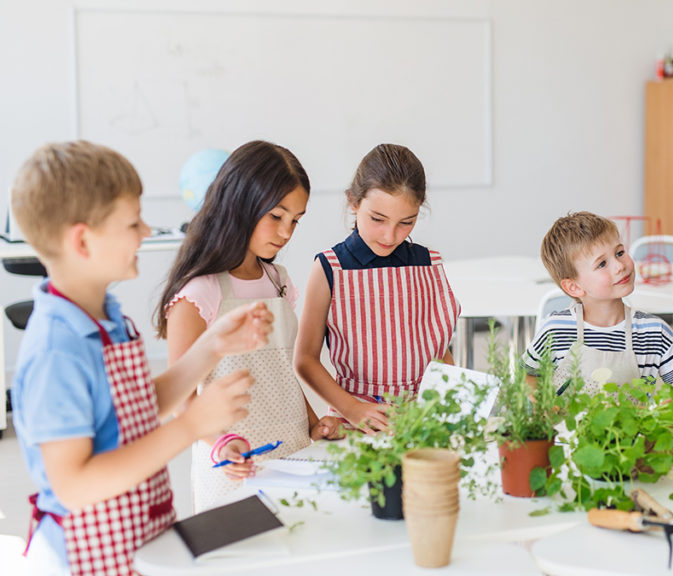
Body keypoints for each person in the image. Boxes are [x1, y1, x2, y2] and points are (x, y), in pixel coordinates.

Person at [10, 141, 266, 574]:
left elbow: (136, 408)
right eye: (132, 222)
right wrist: (190, 425)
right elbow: (74, 485)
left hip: (134, 539)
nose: (147, 231)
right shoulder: (58, 350)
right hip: (85, 556)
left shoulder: (106, 316)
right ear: (83, 241)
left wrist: (212, 345)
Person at [156, 140, 341, 511]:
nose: (286, 232)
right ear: (238, 203)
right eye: (276, 216)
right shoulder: (198, 292)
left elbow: (282, 371)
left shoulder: (280, 280)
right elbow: (180, 399)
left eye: (295, 220)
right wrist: (222, 443)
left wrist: (312, 422)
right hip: (231, 464)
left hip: (294, 455)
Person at [294, 143, 460, 434]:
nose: (390, 235)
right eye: (378, 219)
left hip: (425, 417)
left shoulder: (429, 264)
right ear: (353, 202)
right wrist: (352, 409)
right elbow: (305, 360)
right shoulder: (330, 268)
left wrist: (451, 402)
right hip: (355, 418)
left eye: (406, 222)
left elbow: (439, 347)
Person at [523, 211, 673, 394]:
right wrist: (545, 405)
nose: (620, 266)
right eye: (602, 264)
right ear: (574, 287)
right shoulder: (555, 329)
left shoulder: (655, 332)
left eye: (619, 253)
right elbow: (528, 376)